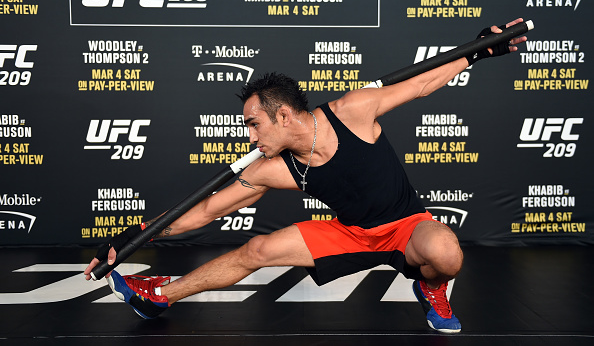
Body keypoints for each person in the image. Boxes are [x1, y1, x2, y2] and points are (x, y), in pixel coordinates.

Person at [84, 18, 528, 333]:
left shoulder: (352, 111)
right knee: (256, 249)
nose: (251, 136)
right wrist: (133, 237)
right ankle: (161, 295)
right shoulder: (275, 169)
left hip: (406, 226)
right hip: (350, 233)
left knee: (447, 254)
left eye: (254, 124)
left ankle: (431, 290)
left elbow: (421, 84)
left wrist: (477, 52)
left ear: (282, 116)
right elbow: (203, 211)